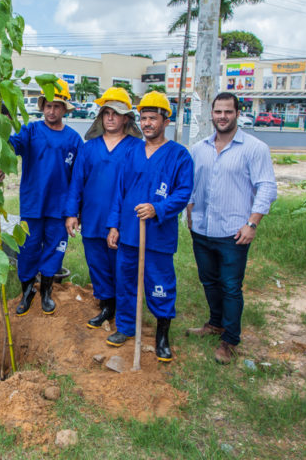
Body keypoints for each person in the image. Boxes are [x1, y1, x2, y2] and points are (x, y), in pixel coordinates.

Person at [186, 91, 277, 364]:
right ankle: (215, 324)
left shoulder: (254, 148)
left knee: (230, 286)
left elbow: (266, 187)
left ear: (238, 113)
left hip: (233, 232)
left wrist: (252, 223)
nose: (222, 116)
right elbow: (190, 185)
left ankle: (230, 340)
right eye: (218, 112)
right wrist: (189, 214)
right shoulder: (199, 148)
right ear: (211, 114)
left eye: (228, 111)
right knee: (209, 281)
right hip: (202, 229)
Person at [106, 91, 193, 362]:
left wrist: (158, 209)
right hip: (129, 233)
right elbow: (119, 191)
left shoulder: (179, 156)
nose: (147, 124)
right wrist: (114, 226)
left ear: (165, 121)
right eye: (143, 118)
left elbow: (183, 192)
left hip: (158, 236)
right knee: (126, 282)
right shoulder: (131, 152)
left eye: (153, 118)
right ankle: (126, 327)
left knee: (160, 284)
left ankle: (162, 335)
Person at [65, 87, 142, 329]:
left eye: (116, 113)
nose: (110, 117)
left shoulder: (135, 148)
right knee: (97, 263)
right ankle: (106, 304)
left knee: (121, 263)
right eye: (106, 113)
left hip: (123, 221)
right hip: (93, 217)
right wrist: (71, 213)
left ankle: (125, 308)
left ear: (126, 118)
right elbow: (76, 182)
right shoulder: (88, 148)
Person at [10, 79, 82, 316]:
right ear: (42, 106)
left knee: (54, 249)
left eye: (57, 106)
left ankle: (47, 291)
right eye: (48, 105)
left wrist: (75, 211)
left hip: (59, 207)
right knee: (28, 248)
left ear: (64, 109)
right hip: (32, 204)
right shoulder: (30, 131)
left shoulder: (74, 140)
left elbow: (78, 178)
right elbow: (10, 147)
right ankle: (27, 291)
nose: (52, 111)